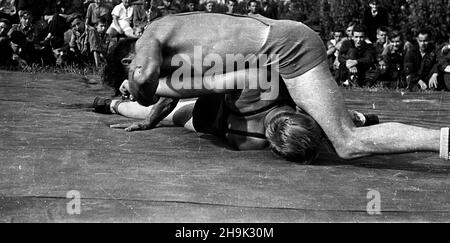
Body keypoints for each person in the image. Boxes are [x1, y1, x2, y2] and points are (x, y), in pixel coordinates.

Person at [101, 13, 448, 160]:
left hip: (284, 49)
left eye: (125, 76)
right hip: (279, 48)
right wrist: (149, 118)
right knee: (331, 129)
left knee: (346, 143)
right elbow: (187, 87)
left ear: (127, 62)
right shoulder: (178, 43)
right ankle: (346, 118)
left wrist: (134, 89)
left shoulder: (150, 36)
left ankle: (442, 140)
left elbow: (146, 78)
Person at [96, 69, 379, 163]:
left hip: (205, 116)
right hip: (213, 109)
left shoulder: (264, 87)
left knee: (168, 112)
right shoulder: (251, 142)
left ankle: (113, 104)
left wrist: (150, 121)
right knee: (168, 106)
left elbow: (180, 93)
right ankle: (115, 103)